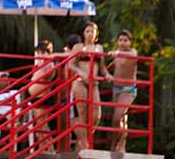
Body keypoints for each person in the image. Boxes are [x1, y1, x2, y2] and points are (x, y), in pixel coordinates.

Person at [67, 22, 112, 150]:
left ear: (96, 33)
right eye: (87, 31)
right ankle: (84, 144)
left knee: (96, 115)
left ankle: (82, 142)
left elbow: (102, 67)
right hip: (80, 81)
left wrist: (107, 75)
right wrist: (80, 72)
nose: (90, 34)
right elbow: (71, 64)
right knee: (82, 113)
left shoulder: (99, 48)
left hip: (94, 83)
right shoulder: (78, 47)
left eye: (93, 31)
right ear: (83, 33)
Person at [107, 29, 139, 152]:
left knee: (117, 117)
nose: (122, 43)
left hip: (128, 89)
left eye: (125, 40)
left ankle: (119, 142)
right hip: (116, 88)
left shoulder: (132, 52)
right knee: (120, 119)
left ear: (130, 42)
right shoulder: (117, 53)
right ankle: (117, 144)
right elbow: (108, 66)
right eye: (120, 40)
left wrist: (117, 53)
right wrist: (107, 75)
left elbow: (133, 56)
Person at [27, 39, 56, 140]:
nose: (39, 55)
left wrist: (41, 64)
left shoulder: (49, 64)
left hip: (42, 97)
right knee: (39, 127)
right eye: (38, 52)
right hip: (37, 97)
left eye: (42, 52)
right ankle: (44, 150)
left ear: (48, 53)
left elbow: (47, 76)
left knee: (43, 126)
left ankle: (50, 149)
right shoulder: (41, 64)